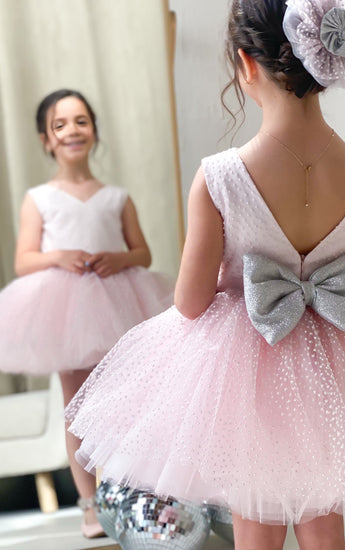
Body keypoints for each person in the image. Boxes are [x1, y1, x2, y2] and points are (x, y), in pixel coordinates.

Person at [66, 1, 345, 549]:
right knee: (324, 525)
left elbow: (191, 302)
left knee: (257, 526)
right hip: (334, 370)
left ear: (246, 63)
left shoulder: (220, 178)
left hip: (245, 376)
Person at [0, 89, 174, 538]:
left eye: (81, 121)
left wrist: (120, 259)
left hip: (117, 303)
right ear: (46, 139)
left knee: (125, 401)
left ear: (94, 130)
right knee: (75, 405)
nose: (72, 131)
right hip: (65, 311)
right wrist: (58, 256)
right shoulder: (39, 198)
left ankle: (130, 493)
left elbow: (142, 252)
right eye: (59, 125)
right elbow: (23, 260)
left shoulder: (116, 197)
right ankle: (89, 505)